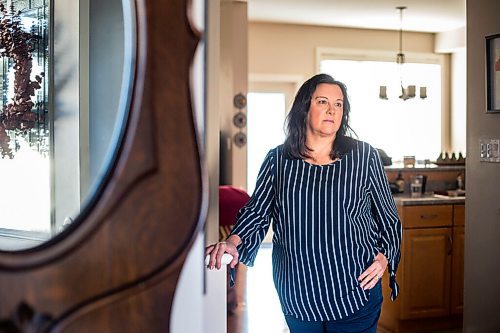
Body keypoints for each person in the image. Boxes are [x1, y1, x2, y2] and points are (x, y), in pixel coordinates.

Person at [206, 73, 402, 333]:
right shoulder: (278, 160)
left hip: (356, 289)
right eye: (322, 102)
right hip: (298, 293)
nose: (332, 109)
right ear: (304, 108)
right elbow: (257, 212)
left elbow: (387, 217)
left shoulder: (364, 156)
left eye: (339, 103)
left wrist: (383, 257)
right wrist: (232, 241)